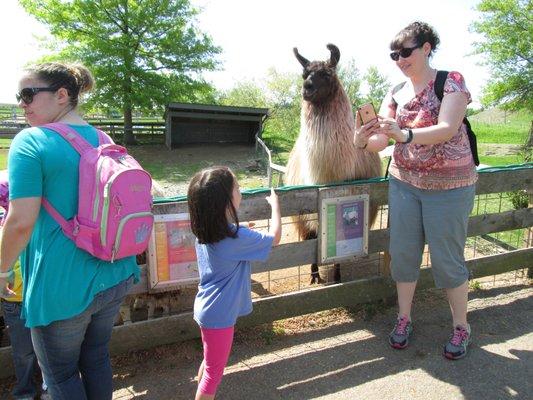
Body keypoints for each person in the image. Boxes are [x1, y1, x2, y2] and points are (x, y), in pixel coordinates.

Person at [0, 62, 140, 399]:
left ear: (62, 95)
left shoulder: (30, 142)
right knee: (95, 358)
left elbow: (19, 223)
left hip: (61, 289)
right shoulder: (104, 139)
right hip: (114, 273)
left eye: (28, 94)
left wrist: (1, 268)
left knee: (61, 375)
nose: (22, 103)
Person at [354, 21, 477, 360]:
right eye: (395, 54)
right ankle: (404, 318)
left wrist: (404, 134)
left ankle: (461, 326)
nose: (400, 59)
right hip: (405, 184)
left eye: (406, 51)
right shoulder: (394, 90)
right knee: (404, 254)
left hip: (450, 187)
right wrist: (363, 139)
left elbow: (447, 128)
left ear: (426, 48)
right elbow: (382, 140)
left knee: (448, 260)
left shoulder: (450, 82)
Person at [187, 166, 281, 400]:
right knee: (213, 373)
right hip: (219, 316)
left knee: (209, 363)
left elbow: (230, 243)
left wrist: (242, 231)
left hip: (207, 309)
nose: (241, 191)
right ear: (226, 201)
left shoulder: (205, 232)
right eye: (237, 187)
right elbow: (276, 238)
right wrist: (276, 205)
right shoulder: (235, 237)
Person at [0, 171, 50, 399]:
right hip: (15, 300)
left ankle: (48, 382)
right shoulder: (7, 230)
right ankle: (26, 389)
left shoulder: (39, 224)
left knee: (49, 347)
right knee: (23, 352)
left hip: (40, 297)